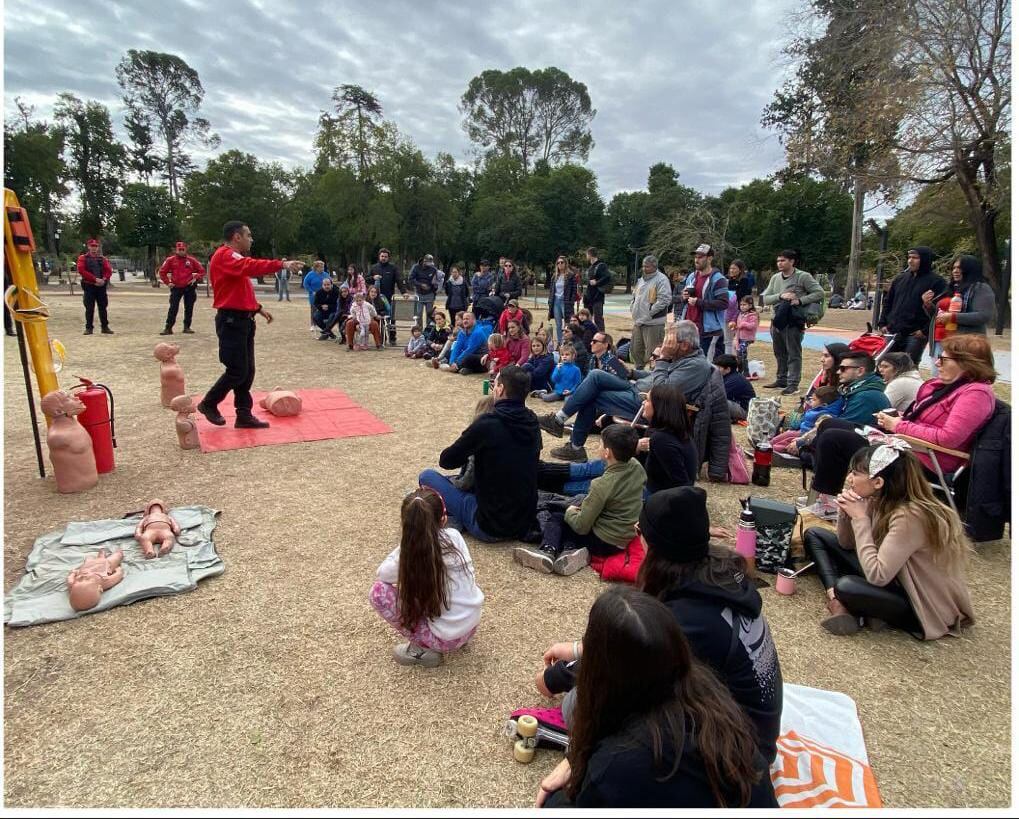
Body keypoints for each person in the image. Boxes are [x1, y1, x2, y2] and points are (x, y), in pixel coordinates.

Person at [534, 586, 778, 809]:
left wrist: (574, 769)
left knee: (554, 801)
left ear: (598, 672)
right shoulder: (707, 690)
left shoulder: (616, 762)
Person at [799, 336, 993, 519]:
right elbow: (926, 422)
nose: (936, 363)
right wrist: (897, 419)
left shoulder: (975, 394)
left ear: (966, 363)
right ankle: (823, 498)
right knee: (829, 424)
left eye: (943, 359)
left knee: (834, 438)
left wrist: (900, 426)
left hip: (922, 460)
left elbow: (949, 437)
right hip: (908, 446)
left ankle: (827, 504)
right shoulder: (948, 387)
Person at [803, 443, 974, 639]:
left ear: (878, 482)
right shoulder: (878, 499)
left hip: (918, 602)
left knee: (847, 586)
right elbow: (846, 544)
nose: (849, 478)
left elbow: (878, 575)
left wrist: (860, 519)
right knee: (815, 534)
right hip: (894, 578)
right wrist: (846, 512)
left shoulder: (910, 516)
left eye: (856, 473)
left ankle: (847, 601)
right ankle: (837, 601)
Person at [538, 321, 714, 466]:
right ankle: (562, 425)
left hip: (646, 403)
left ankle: (571, 441)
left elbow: (661, 391)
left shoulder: (696, 366)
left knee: (593, 391)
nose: (666, 343)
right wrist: (631, 373)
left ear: (684, 345)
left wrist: (662, 359)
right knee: (596, 375)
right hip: (636, 388)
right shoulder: (684, 358)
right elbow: (654, 376)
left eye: (670, 339)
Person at [196, 221, 302, 429]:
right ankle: (209, 403)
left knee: (247, 370)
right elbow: (250, 266)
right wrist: (281, 264)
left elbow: (239, 290)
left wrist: (257, 308)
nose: (251, 239)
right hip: (231, 321)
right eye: (248, 235)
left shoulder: (232, 259)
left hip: (242, 319)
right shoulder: (226, 256)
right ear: (237, 237)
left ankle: (243, 414)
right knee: (237, 370)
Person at [419, 366, 541, 542]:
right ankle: (456, 517)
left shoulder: (488, 423)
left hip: (490, 525)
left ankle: (457, 519)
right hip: (523, 522)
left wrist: (470, 439)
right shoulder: (532, 420)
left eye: (495, 384)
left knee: (427, 477)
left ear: (500, 389)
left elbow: (446, 460)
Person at [370, 488, 483, 667]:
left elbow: (382, 574)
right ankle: (451, 637)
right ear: (443, 519)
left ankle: (421, 650)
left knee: (378, 591)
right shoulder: (455, 537)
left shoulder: (409, 556)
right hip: (470, 626)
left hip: (444, 638)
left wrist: (408, 543)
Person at [515, 425, 645, 576]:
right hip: (625, 538)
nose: (598, 446)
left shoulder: (602, 485)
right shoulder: (637, 467)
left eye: (601, 444)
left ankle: (547, 551)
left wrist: (570, 513)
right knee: (576, 512)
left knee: (559, 517)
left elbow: (582, 526)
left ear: (607, 453)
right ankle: (570, 551)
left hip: (603, 542)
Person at [760, 249, 824, 394]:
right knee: (779, 351)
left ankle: (793, 383)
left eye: (783, 260)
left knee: (793, 353)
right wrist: (781, 295)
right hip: (777, 319)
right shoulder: (775, 278)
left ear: (792, 261)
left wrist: (800, 300)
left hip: (793, 320)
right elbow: (766, 298)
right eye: (778, 261)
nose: (779, 263)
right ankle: (781, 379)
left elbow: (819, 293)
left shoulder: (803, 277)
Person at [924, 253, 997, 376]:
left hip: (964, 342)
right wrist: (928, 305)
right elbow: (938, 315)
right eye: (954, 268)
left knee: (960, 379)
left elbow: (984, 315)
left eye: (960, 268)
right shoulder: (951, 288)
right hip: (940, 340)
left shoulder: (980, 288)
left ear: (971, 269)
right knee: (938, 378)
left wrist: (952, 317)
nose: (955, 271)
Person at [878, 246, 944, 366]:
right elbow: (888, 302)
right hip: (893, 330)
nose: (910, 260)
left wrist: (924, 331)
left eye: (915, 257)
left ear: (924, 259)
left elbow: (940, 310)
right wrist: (882, 323)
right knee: (885, 365)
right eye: (909, 257)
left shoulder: (937, 281)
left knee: (908, 366)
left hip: (915, 334)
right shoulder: (900, 278)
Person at [634, 382, 699, 494]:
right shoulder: (678, 432)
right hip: (658, 492)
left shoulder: (662, 438)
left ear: (659, 406)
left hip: (659, 500)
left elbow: (681, 485)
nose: (643, 402)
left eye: (648, 400)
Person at [677, 244, 729, 358]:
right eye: (695, 256)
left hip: (708, 331)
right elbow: (685, 299)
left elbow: (724, 303)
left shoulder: (718, 279)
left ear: (710, 258)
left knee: (707, 365)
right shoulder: (691, 276)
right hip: (689, 327)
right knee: (688, 362)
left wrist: (699, 302)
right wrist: (684, 297)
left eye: (700, 257)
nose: (696, 260)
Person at [770, 385, 843, 456]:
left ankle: (771, 451)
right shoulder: (817, 409)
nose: (811, 401)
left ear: (824, 405)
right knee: (782, 436)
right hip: (800, 432)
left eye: (814, 400)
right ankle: (766, 445)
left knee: (786, 442)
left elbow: (815, 431)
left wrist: (801, 441)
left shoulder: (825, 415)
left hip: (804, 436)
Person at [628, 255, 673, 369]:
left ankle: (654, 376)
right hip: (638, 322)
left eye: (647, 266)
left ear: (654, 266)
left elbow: (664, 300)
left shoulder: (661, 279)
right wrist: (632, 307)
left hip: (654, 323)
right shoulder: (641, 280)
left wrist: (649, 314)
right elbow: (635, 296)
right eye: (643, 266)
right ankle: (639, 372)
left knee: (653, 353)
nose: (644, 268)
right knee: (635, 350)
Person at [158, 241, 205, 335]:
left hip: (189, 287)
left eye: (183, 249)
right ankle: (168, 327)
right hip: (176, 287)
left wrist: (196, 277)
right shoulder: (170, 260)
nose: (181, 251)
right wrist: (168, 282)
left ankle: (187, 327)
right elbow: (162, 272)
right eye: (179, 249)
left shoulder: (192, 260)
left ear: (186, 249)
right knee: (173, 307)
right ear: (176, 250)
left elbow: (202, 271)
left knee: (189, 307)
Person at [76, 238, 114, 335]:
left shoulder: (102, 259)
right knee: (89, 307)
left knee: (103, 307)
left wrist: (104, 279)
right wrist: (94, 279)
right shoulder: (83, 258)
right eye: (92, 246)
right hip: (89, 286)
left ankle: (105, 327)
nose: (94, 248)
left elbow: (108, 270)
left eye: (95, 246)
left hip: (101, 286)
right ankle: (89, 328)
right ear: (88, 247)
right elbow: (81, 270)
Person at [370, 248, 406, 343]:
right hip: (377, 298)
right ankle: (382, 338)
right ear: (379, 256)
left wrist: (404, 292)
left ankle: (392, 337)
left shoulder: (393, 268)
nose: (383, 258)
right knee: (379, 317)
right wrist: (373, 277)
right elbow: (366, 279)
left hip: (389, 298)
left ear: (388, 258)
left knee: (391, 318)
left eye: (385, 257)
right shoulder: (374, 267)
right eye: (382, 256)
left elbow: (399, 280)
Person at [713, 354, 755, 422]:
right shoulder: (730, 376)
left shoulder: (734, 380)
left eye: (719, 368)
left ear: (728, 369)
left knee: (717, 401)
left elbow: (717, 396)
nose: (716, 370)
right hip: (738, 406)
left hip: (746, 411)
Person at [582, 247, 613, 332]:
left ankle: (602, 338)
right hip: (589, 296)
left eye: (587, 255)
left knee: (598, 319)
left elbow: (607, 276)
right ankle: (588, 336)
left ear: (590, 255)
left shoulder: (601, 265)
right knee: (587, 318)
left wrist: (597, 282)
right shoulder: (591, 266)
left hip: (597, 297)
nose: (586, 257)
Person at [548, 255, 577, 344]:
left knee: (567, 323)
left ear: (565, 263)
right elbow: (551, 290)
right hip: (556, 301)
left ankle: (567, 341)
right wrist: (550, 301)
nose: (560, 264)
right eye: (558, 263)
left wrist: (571, 301)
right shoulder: (555, 276)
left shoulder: (570, 275)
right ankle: (560, 343)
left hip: (566, 301)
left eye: (562, 262)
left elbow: (574, 290)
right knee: (558, 324)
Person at [408, 254, 440, 330]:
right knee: (418, 314)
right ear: (424, 261)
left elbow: (437, 281)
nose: (430, 266)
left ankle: (428, 331)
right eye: (428, 263)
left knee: (429, 315)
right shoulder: (416, 267)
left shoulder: (433, 269)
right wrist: (420, 285)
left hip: (430, 294)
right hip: (419, 294)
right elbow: (411, 279)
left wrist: (435, 286)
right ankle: (419, 330)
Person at [732, 295, 760, 376]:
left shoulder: (753, 315)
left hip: (747, 338)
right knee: (738, 355)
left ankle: (746, 372)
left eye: (744, 305)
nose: (742, 307)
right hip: (739, 337)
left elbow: (753, 326)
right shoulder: (741, 314)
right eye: (741, 305)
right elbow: (738, 326)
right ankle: (740, 371)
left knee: (742, 354)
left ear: (750, 305)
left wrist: (743, 324)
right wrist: (735, 327)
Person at [302, 261, 330, 330]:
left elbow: (330, 283)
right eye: (321, 267)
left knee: (324, 310)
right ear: (316, 267)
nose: (323, 268)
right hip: (314, 295)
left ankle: (322, 325)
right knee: (313, 310)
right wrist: (311, 291)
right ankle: (313, 325)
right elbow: (305, 284)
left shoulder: (326, 274)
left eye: (323, 266)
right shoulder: (310, 274)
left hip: (324, 295)